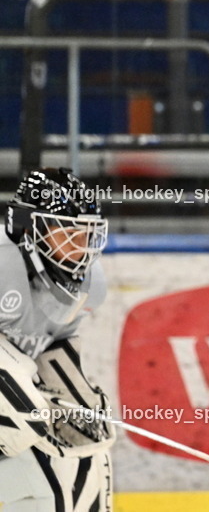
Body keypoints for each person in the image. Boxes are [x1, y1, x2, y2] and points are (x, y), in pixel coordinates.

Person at [0, 167, 114, 511]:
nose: (79, 249)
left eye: (84, 236)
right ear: (28, 230)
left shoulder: (90, 285)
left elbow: (51, 344)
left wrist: (76, 398)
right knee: (23, 419)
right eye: (67, 235)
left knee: (88, 445)